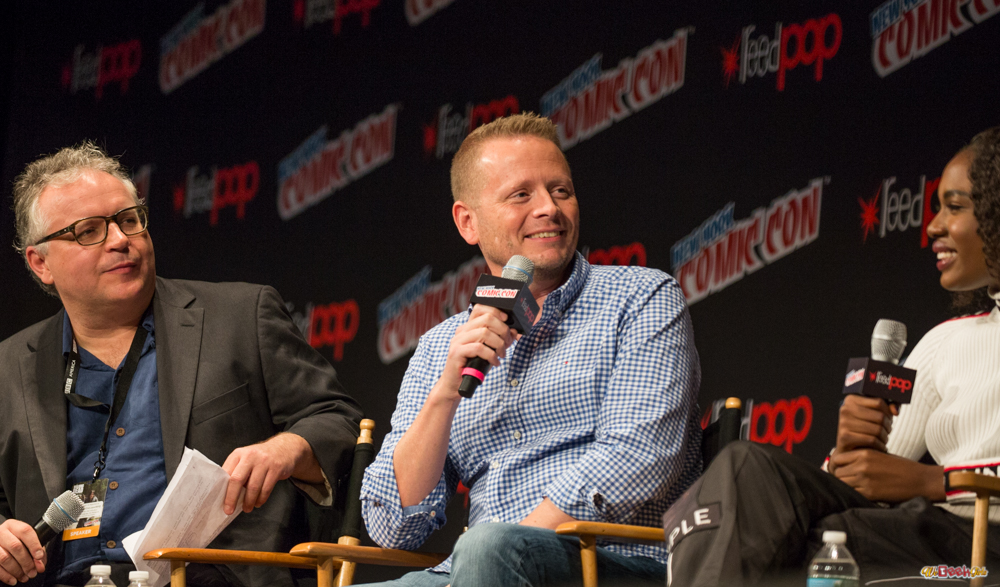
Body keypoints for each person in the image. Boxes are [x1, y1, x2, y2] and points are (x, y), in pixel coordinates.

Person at [358, 113, 703, 587]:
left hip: (608, 564)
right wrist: (445, 394)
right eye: (521, 195)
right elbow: (390, 525)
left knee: (487, 548)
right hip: (472, 572)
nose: (549, 208)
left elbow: (637, 456)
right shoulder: (443, 345)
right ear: (468, 222)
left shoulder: (639, 298)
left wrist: (504, 548)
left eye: (561, 190)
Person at [0, 143, 363, 587]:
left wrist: (288, 449)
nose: (120, 240)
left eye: (128, 220)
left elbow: (340, 421)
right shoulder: (8, 368)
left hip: (208, 577)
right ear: (41, 263)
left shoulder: (240, 317)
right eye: (89, 231)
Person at [664, 125, 1000, 586]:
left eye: (955, 207)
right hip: (920, 533)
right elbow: (857, 481)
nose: (934, 226)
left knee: (819, 546)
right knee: (748, 473)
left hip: (978, 561)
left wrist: (934, 483)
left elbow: (913, 485)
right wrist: (851, 454)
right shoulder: (948, 341)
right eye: (937, 206)